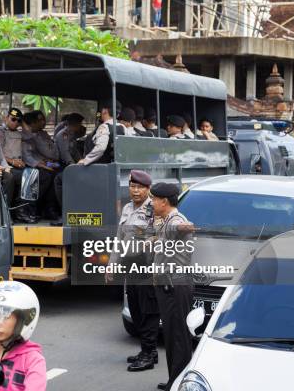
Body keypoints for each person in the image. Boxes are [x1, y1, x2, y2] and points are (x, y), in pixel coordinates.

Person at [107, 170, 160, 372]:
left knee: (148, 312)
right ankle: (148, 351)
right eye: (132, 186)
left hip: (148, 268)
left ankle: (148, 354)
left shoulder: (155, 209)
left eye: (140, 187)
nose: (135, 191)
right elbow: (119, 239)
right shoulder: (128, 208)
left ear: (148, 189)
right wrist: (112, 263)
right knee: (136, 311)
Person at [149, 182, 195, 391]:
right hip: (168, 285)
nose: (151, 203)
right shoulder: (166, 220)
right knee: (170, 334)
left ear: (164, 202)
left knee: (179, 336)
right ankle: (173, 380)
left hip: (175, 286)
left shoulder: (176, 221)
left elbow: (183, 228)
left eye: (154, 199)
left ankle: (180, 383)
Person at [0, 107, 34, 223]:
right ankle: (17, 211)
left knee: (33, 175)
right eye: (13, 119)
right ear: (7, 118)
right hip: (7, 165)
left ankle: (23, 210)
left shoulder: (18, 132)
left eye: (18, 121)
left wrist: (22, 122)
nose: (15, 122)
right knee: (26, 178)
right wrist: (12, 162)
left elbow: (30, 135)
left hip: (19, 165)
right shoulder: (1, 132)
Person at [21, 110, 61, 221]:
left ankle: (49, 208)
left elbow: (51, 153)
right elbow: (27, 156)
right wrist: (41, 164)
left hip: (44, 162)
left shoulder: (43, 134)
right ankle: (35, 208)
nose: (43, 122)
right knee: (46, 175)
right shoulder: (26, 136)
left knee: (58, 171)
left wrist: (48, 163)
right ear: (32, 123)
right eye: (40, 120)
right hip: (30, 165)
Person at [54, 113, 85, 208]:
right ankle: (64, 208)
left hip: (68, 164)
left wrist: (81, 160)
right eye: (80, 124)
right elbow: (65, 153)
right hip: (59, 164)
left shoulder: (71, 134)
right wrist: (73, 166)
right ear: (75, 124)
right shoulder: (63, 135)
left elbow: (74, 151)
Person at [80, 100, 120, 166]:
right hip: (114, 167)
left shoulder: (104, 127)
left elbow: (100, 148)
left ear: (105, 111)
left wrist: (85, 160)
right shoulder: (123, 127)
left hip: (100, 168)